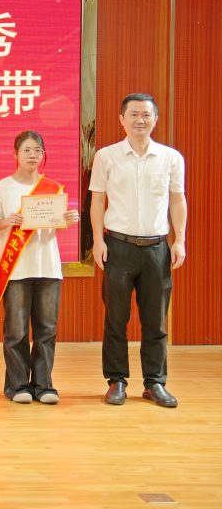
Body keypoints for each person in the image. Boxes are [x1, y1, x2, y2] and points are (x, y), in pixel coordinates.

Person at [90, 92, 186, 408]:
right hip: (118, 246)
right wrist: (98, 240)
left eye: (146, 114)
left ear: (155, 119)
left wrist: (180, 239)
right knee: (116, 319)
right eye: (133, 114)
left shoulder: (171, 158)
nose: (139, 120)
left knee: (156, 321)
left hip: (157, 248)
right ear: (122, 119)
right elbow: (97, 201)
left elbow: (177, 200)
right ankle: (116, 381)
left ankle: (155, 383)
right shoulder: (106, 156)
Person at [0, 131, 79, 404]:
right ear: (15, 154)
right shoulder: (3, 188)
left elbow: (56, 224)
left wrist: (68, 219)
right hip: (16, 269)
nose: (33, 155)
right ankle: (17, 385)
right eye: (27, 150)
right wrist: (9, 221)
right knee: (16, 331)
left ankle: (44, 385)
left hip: (48, 266)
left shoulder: (53, 188)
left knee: (47, 329)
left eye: (38, 150)